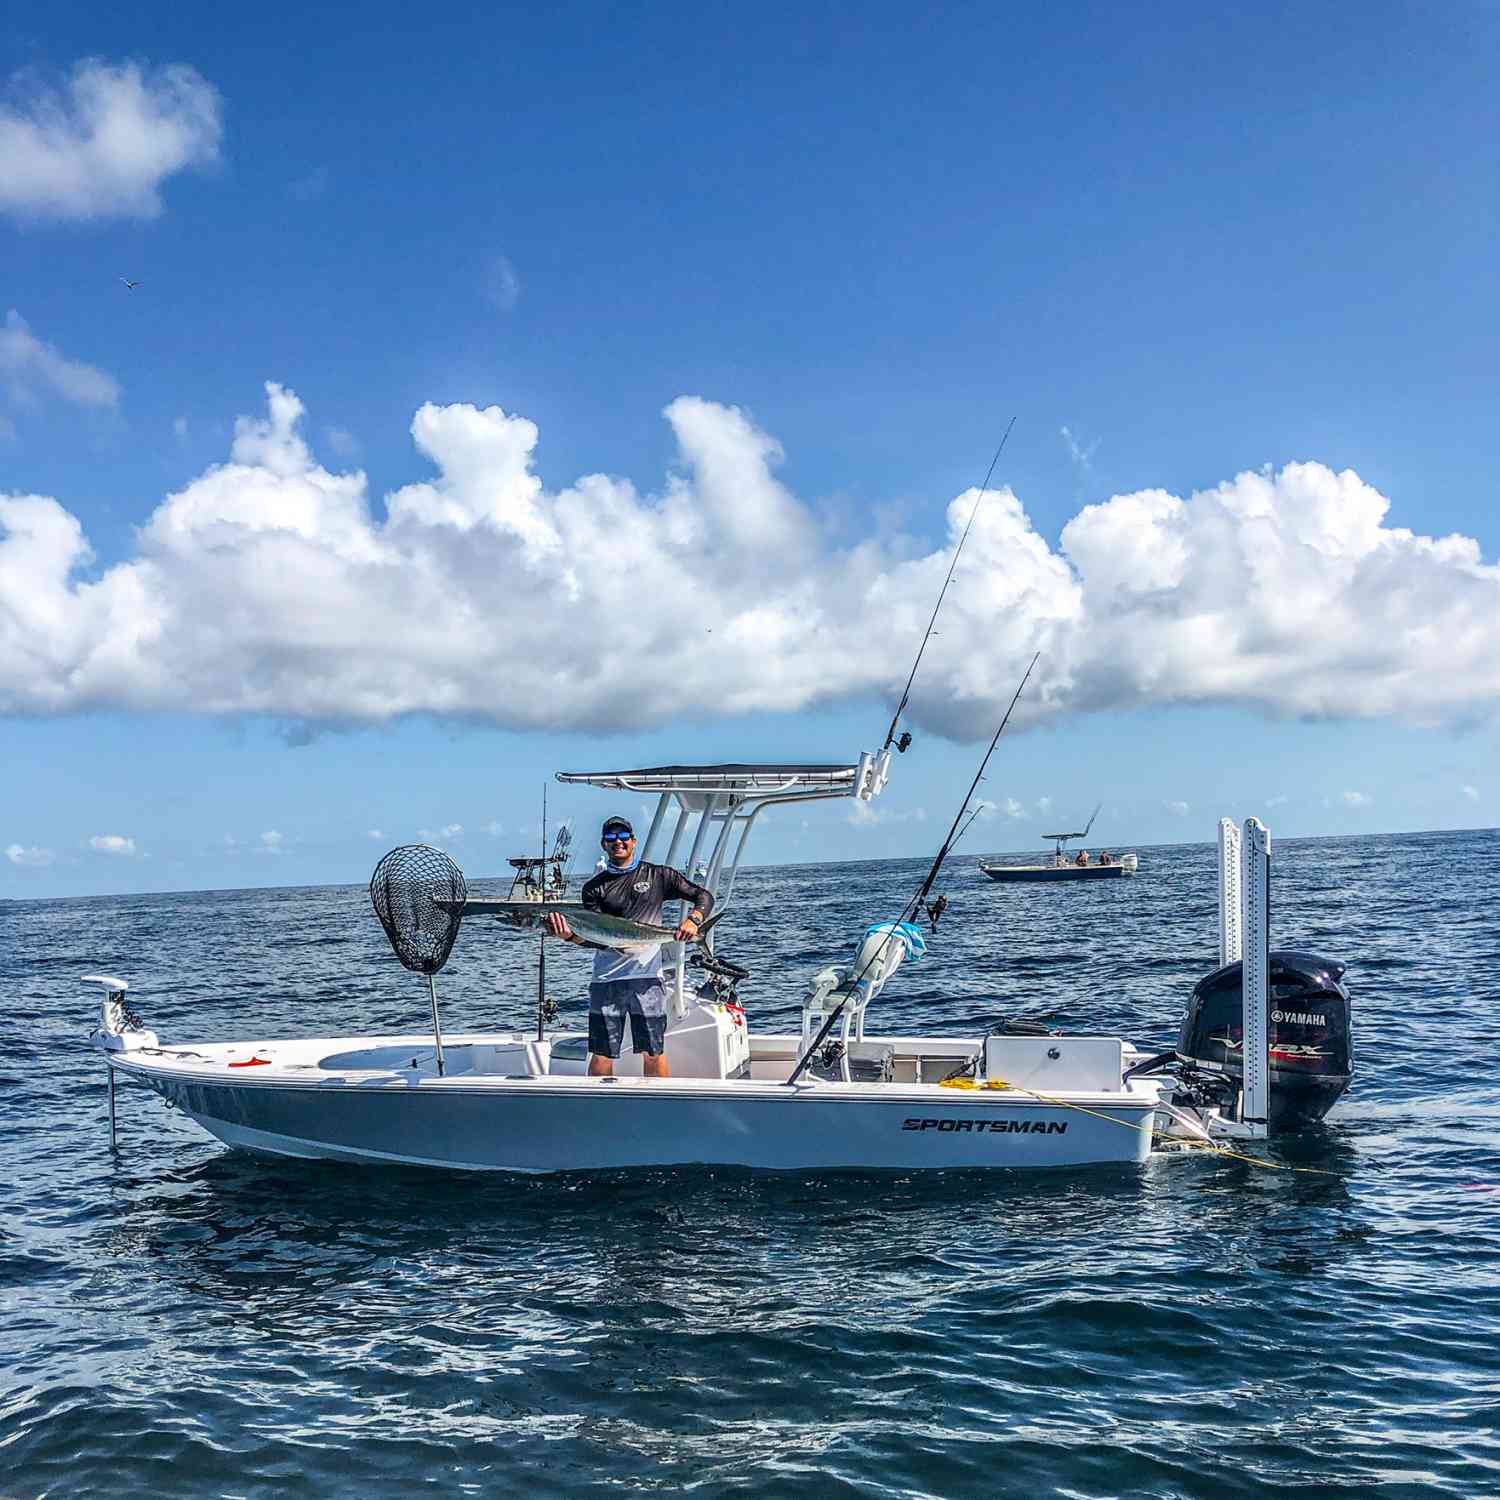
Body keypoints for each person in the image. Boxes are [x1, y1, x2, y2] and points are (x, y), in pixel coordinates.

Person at [546, 815, 714, 1078]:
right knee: (601, 1054)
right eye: (611, 838)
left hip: (647, 979)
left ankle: (659, 1106)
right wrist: (569, 936)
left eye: (623, 837)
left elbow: (703, 896)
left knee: (653, 1052)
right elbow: (595, 939)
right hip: (606, 980)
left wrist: (693, 921)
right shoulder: (593, 889)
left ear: (633, 841)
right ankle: (601, 1111)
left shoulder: (658, 875)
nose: (618, 842)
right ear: (604, 845)